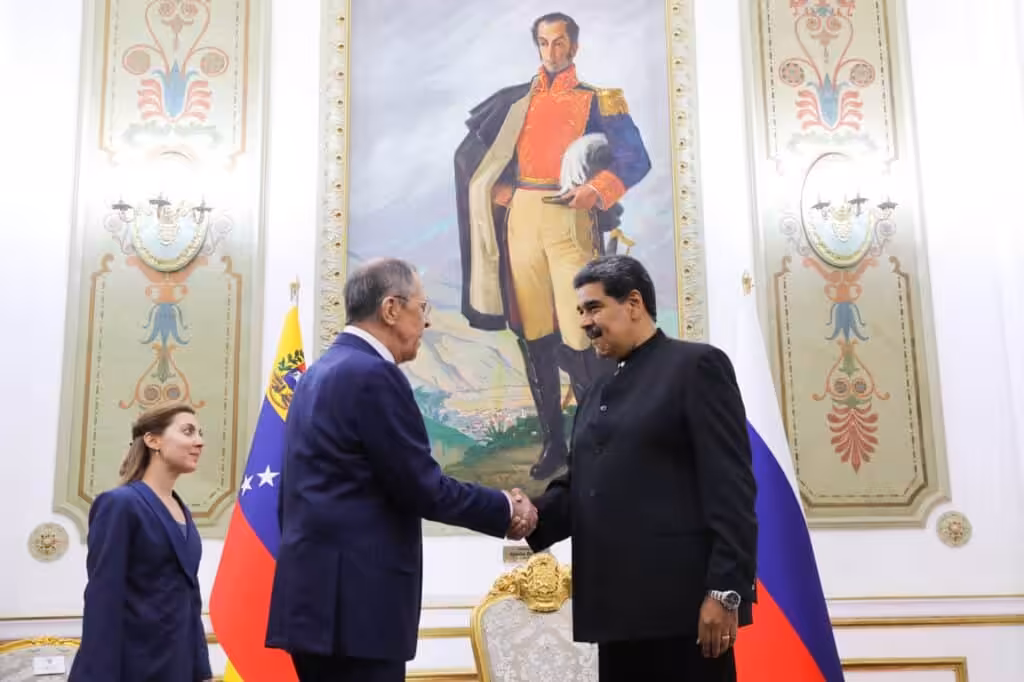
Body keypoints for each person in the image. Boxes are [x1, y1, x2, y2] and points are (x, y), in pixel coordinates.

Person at [265, 258, 537, 682]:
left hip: (314, 605)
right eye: (422, 309)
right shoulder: (374, 375)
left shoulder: (318, 373)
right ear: (391, 309)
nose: (426, 324)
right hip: (358, 611)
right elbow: (421, 487)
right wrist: (504, 509)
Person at [525, 255, 759, 681]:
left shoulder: (697, 367)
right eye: (580, 311)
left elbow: (733, 489)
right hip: (616, 615)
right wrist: (520, 514)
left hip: (684, 615)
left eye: (593, 307)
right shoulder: (598, 390)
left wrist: (725, 594)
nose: (584, 322)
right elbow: (581, 488)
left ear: (633, 303)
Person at [454, 11, 652, 480]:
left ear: (575, 47)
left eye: (560, 43)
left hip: (570, 219)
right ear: (537, 47)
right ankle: (553, 447)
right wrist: (499, 189)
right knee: (534, 334)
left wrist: (596, 190)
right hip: (521, 219)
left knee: (583, 333)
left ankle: (599, 444)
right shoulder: (514, 102)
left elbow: (635, 159)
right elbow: (478, 157)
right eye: (544, 43)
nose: (552, 52)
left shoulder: (602, 100)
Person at [69, 402, 212, 682]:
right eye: (188, 431)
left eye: (199, 433)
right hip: (132, 667)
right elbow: (103, 599)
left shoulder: (183, 511)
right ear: (152, 440)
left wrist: (202, 671)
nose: (199, 442)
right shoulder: (120, 504)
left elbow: (190, 602)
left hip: (178, 668)